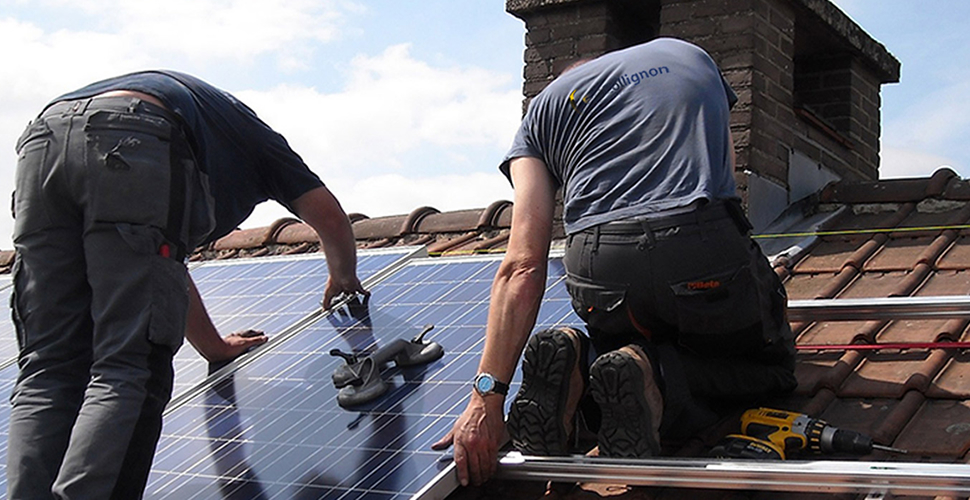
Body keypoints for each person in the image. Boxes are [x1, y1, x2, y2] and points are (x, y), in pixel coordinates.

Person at [433, 37, 797, 486]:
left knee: (624, 339)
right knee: (771, 367)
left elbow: (523, 263)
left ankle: (581, 363)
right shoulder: (688, 54)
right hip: (698, 241)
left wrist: (486, 396)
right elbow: (726, 176)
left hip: (598, 266)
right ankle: (656, 377)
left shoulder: (539, 114)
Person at [7, 70, 367, 499]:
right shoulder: (260, 144)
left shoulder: (210, 127)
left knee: (48, 367)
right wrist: (343, 276)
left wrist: (213, 346)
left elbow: (166, 272)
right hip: (133, 138)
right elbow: (328, 216)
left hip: (42, 141)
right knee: (129, 365)